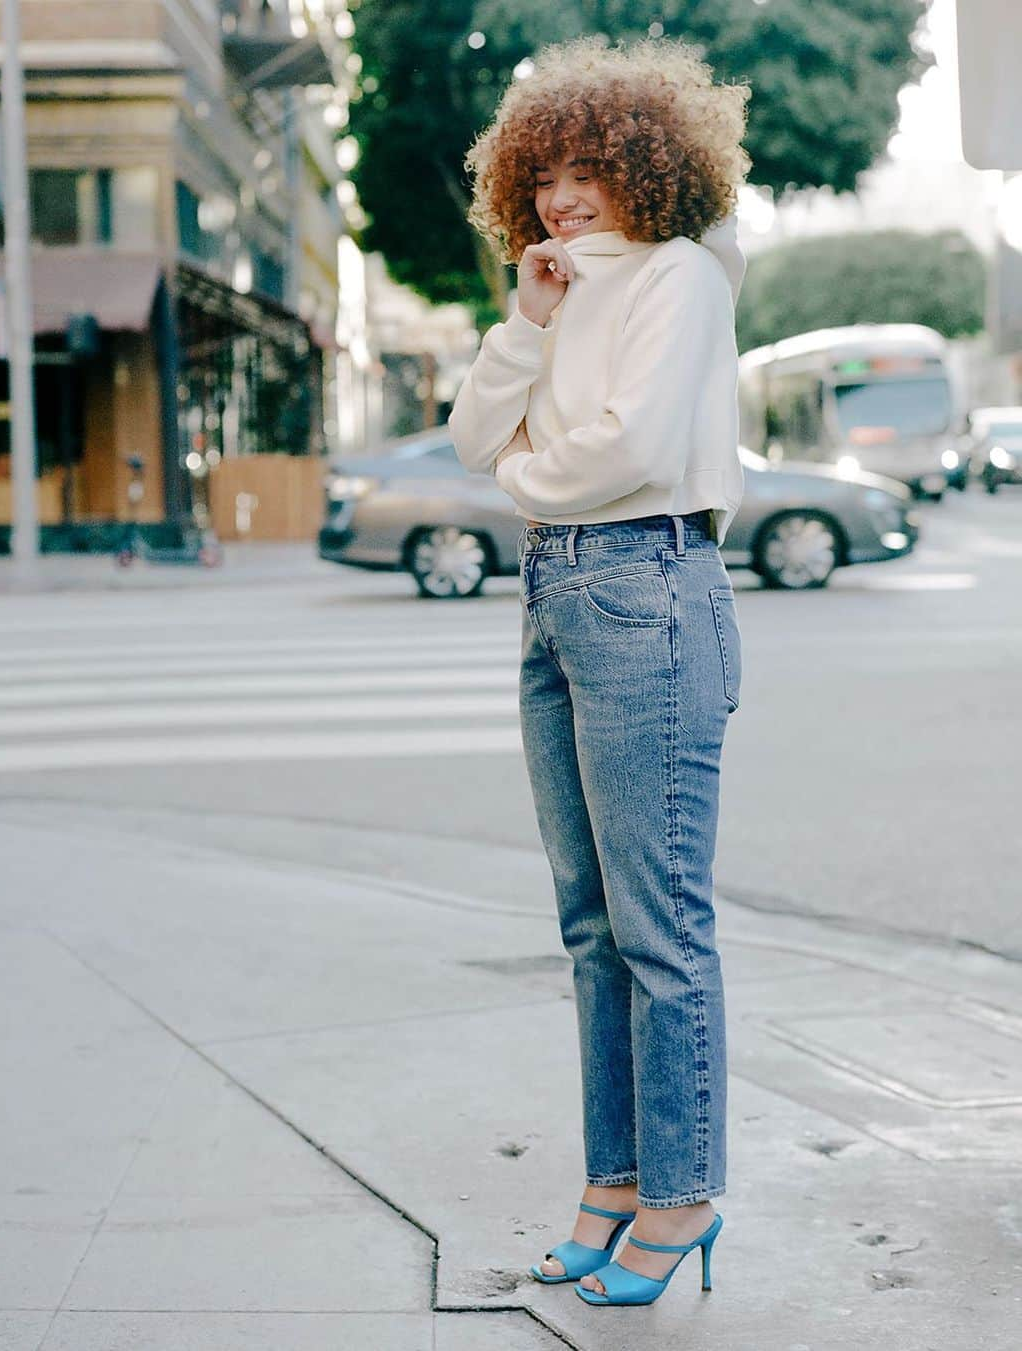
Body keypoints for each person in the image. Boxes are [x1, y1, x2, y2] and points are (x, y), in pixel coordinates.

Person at [448, 36, 751, 1309]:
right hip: (555, 591)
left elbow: (631, 447)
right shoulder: (560, 292)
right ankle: (616, 1183)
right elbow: (473, 431)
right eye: (543, 177)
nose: (562, 197)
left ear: (646, 167)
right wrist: (526, 319)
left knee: (658, 922)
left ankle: (684, 1193)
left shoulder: (684, 273)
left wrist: (526, 476)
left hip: (643, 582)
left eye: (588, 172)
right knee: (588, 927)